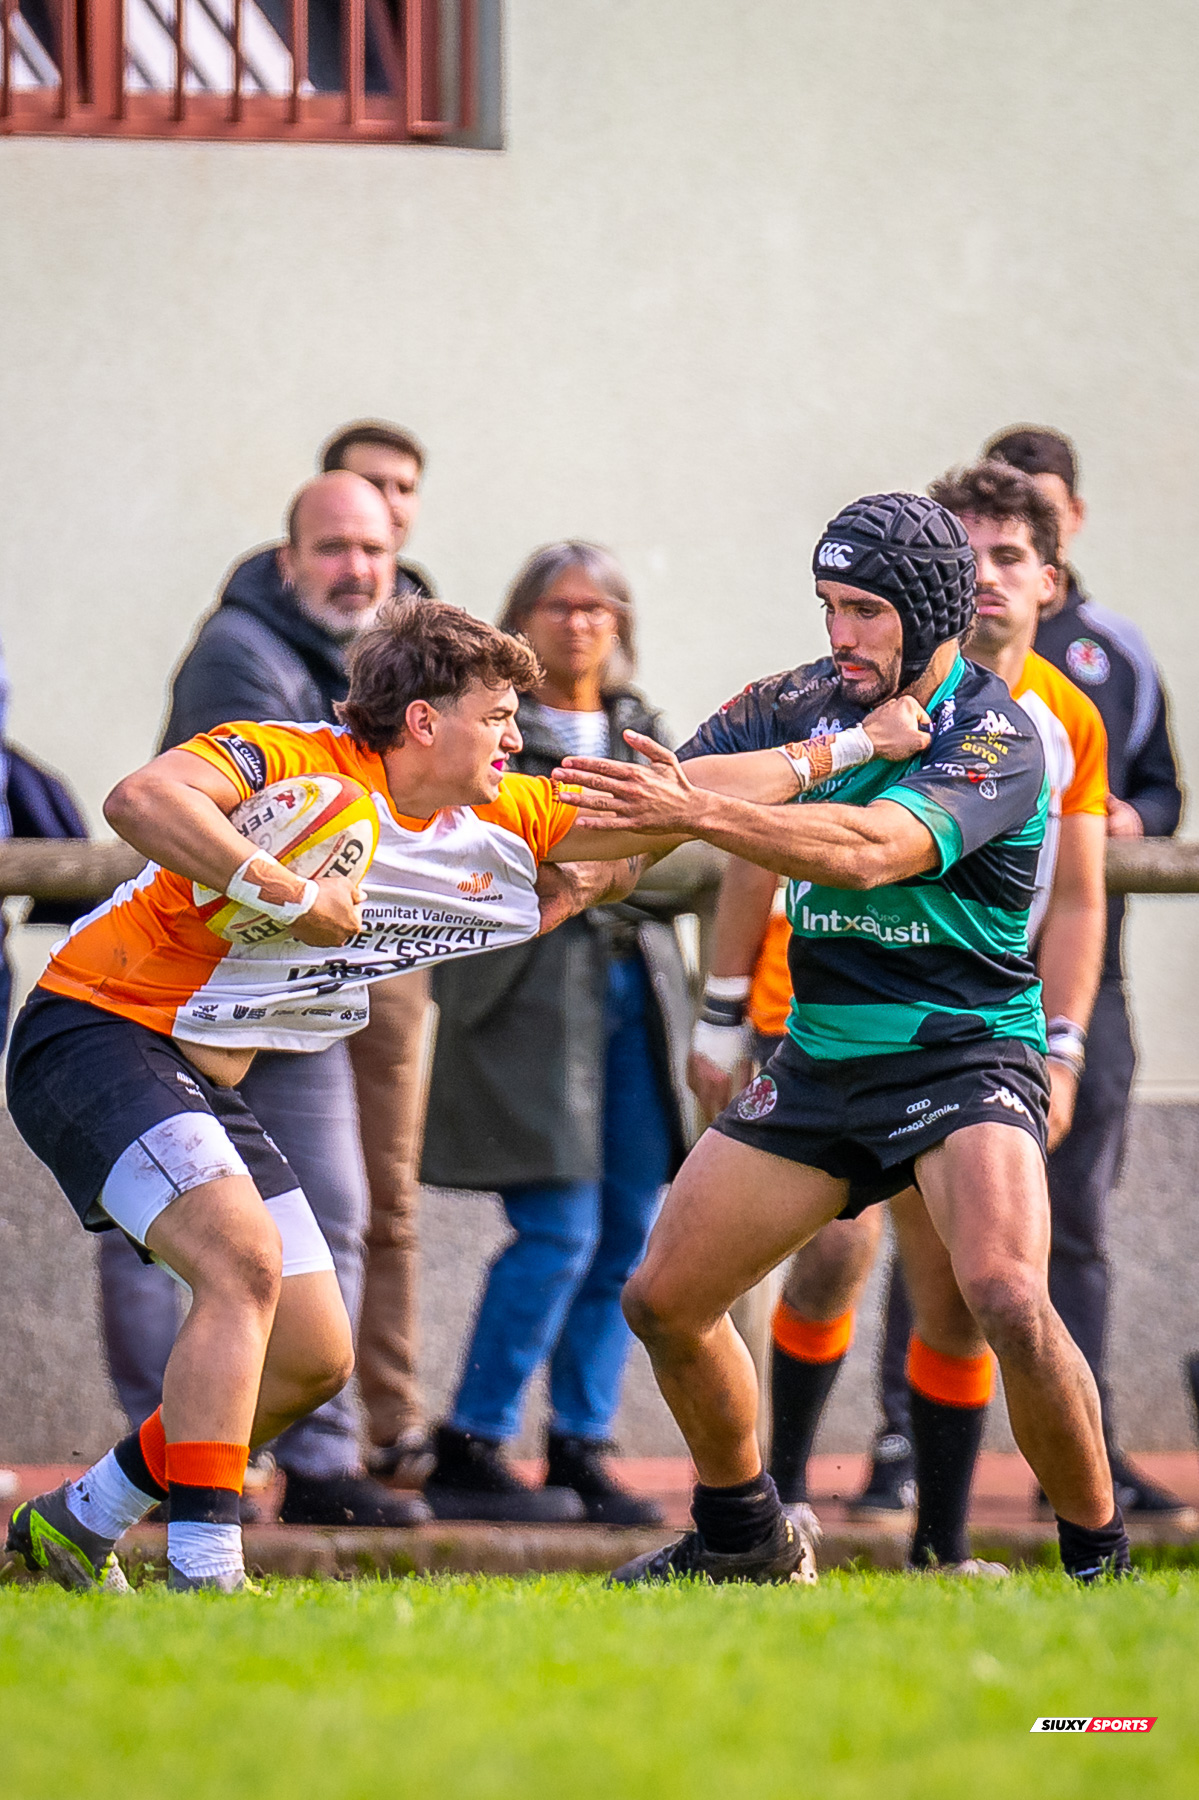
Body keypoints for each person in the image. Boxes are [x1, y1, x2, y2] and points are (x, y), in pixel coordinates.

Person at [5, 600, 663, 1592]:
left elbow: (642, 819)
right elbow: (140, 798)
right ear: (425, 723)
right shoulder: (285, 755)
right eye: (498, 716)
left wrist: (818, 760)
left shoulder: (481, 807)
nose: (517, 739)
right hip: (93, 1030)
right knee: (240, 1263)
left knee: (312, 1356)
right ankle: (205, 1572)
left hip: (198, 1067)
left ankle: (78, 1520)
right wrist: (283, 890)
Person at [557, 491, 1130, 1586]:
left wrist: (703, 813)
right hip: (821, 1056)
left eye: (864, 609)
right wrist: (791, 766)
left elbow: (869, 850)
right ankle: (744, 1538)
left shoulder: (996, 733)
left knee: (1004, 1296)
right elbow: (633, 800)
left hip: (963, 1054)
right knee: (662, 1300)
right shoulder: (798, 702)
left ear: (925, 615)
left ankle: (1096, 1568)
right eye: (827, 605)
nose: (838, 635)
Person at [752, 463, 1109, 1571]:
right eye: (970, 552)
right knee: (809, 1267)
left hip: (961, 1040)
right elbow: (733, 827)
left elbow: (1077, 893)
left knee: (977, 1289)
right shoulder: (820, 688)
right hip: (820, 1017)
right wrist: (724, 1013)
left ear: (1043, 578)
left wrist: (1061, 1040)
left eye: (1008, 557)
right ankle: (777, 1512)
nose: (985, 576)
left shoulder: (1043, 723)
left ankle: (949, 1544)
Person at [98, 471, 428, 1527]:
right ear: (289, 559)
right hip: (193, 996)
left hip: (307, 997)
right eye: (332, 548)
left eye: (371, 550)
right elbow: (281, 819)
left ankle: (320, 1467)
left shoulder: (397, 656)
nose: (356, 569)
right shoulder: (235, 653)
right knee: (162, 1237)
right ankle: (179, 1466)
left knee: (332, 1216)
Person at [420, 544, 693, 1525]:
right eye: (555, 605)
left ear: (619, 623)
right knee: (557, 1229)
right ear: (518, 621)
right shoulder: (491, 731)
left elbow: (682, 851)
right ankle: (470, 1441)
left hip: (634, 998)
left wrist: (605, 871)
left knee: (627, 1230)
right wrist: (604, 865)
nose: (577, 622)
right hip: (528, 997)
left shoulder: (641, 729)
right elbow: (483, 851)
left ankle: (580, 1443)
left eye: (596, 606)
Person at [985, 424, 1187, 1518]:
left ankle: (1086, 1451)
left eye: (1027, 528)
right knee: (938, 1241)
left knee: (1074, 1222)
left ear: (1062, 539)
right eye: (985, 533)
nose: (993, 564)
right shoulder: (917, 666)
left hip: (1079, 982)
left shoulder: (1110, 655)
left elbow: (1160, 794)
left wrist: (1122, 819)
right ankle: (900, 1452)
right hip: (944, 987)